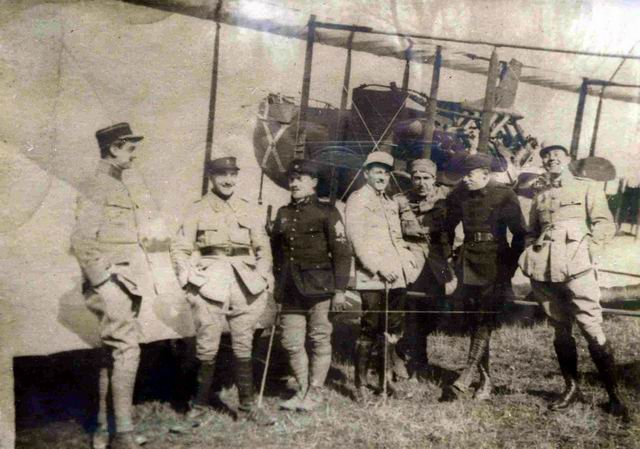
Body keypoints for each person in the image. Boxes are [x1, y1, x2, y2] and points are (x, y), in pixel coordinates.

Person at [71, 122, 165, 449]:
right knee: (126, 350)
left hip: (127, 281)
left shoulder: (115, 184)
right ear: (114, 148)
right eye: (130, 149)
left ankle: (102, 429)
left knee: (113, 354)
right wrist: (104, 283)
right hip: (113, 283)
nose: (134, 155)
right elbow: (82, 241)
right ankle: (122, 435)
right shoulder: (98, 186)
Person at [519, 145, 629, 420]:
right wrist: (530, 253)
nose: (552, 159)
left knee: (592, 329)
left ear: (567, 160)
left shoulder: (586, 187)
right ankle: (571, 388)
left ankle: (614, 395)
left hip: (578, 270)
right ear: (543, 162)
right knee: (560, 330)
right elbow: (532, 231)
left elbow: (604, 224)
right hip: (545, 273)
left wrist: (589, 250)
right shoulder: (540, 195)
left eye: (558, 155)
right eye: (547, 156)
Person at [170, 155, 275, 426]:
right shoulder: (197, 208)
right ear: (211, 178)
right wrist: (188, 279)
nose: (228, 180)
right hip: (210, 283)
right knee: (207, 346)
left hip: (245, 283)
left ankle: (248, 406)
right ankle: (199, 407)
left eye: (232, 174)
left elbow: (263, 246)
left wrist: (263, 275)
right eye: (221, 175)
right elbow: (180, 247)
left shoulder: (249, 208)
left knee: (244, 343)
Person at [270, 159, 352, 412]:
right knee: (291, 341)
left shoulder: (328, 212)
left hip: (320, 287)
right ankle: (303, 389)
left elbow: (342, 253)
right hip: (290, 288)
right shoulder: (283, 213)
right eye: (292, 179)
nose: (294, 183)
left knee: (319, 339)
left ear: (314, 182)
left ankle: (315, 391)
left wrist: (339, 291)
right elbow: (277, 254)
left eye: (300, 178)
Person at [445, 153, 527, 400]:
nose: (465, 180)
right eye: (463, 175)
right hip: (468, 264)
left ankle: (467, 375)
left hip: (495, 265)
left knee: (484, 321)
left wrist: (508, 268)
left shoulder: (504, 194)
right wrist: (449, 257)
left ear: (485, 174)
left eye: (470, 175)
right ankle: (486, 381)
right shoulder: (460, 194)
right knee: (476, 323)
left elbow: (520, 234)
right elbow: (446, 227)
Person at [345, 151, 418, 401]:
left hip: (396, 275)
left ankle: (385, 380)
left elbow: (397, 239)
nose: (382, 177)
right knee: (370, 328)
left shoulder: (389, 202)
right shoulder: (358, 200)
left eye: (386, 173)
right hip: (373, 276)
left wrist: (407, 263)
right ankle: (361, 385)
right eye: (377, 172)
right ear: (366, 174)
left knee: (392, 328)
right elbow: (357, 240)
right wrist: (377, 267)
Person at [395, 158, 454, 378]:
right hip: (410, 259)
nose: (421, 183)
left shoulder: (446, 199)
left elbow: (455, 229)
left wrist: (452, 259)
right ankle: (419, 364)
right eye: (416, 178)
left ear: (434, 178)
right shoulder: (400, 201)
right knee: (413, 312)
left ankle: (400, 349)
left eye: (426, 178)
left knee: (438, 311)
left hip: (437, 259)